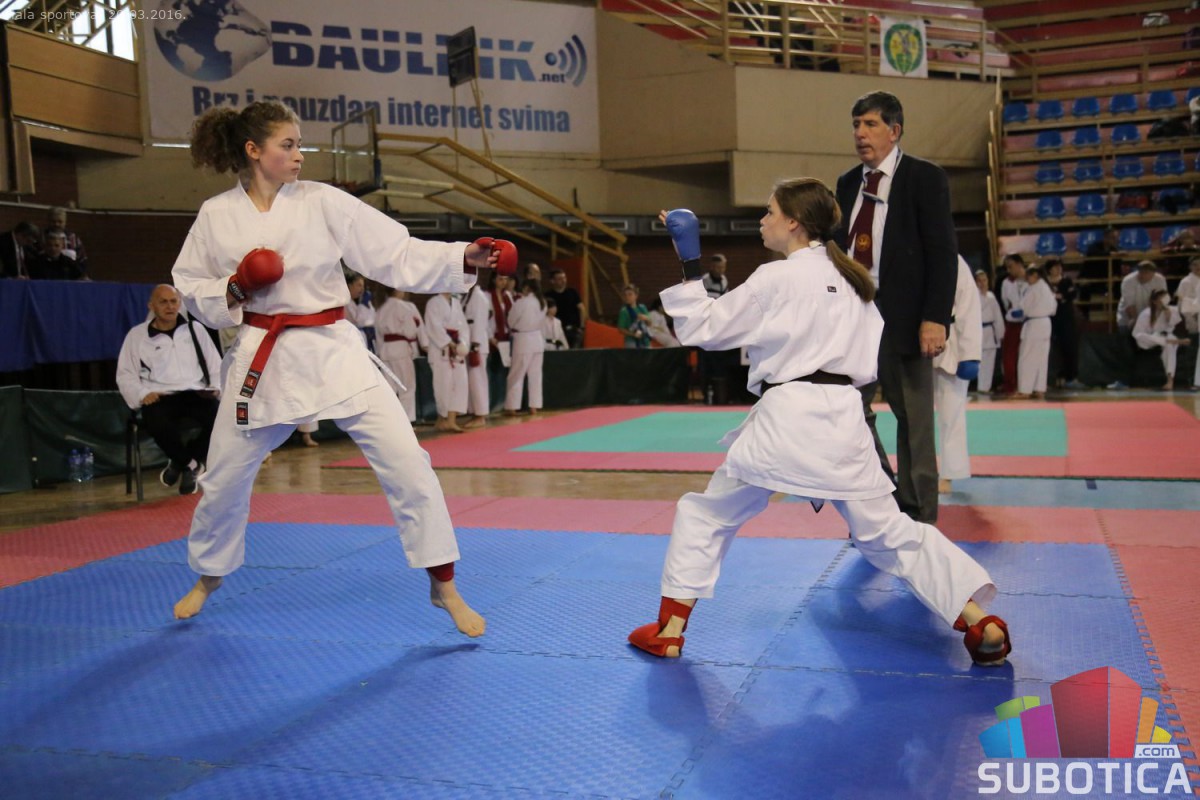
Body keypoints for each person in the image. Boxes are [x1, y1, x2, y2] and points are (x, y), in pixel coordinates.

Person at [628, 181, 1009, 668]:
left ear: (793, 221)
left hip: (786, 420)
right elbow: (867, 362)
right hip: (843, 417)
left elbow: (704, 327)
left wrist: (688, 260)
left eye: (769, 212)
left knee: (708, 515)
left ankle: (669, 630)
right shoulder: (856, 283)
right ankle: (979, 621)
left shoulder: (775, 277)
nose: (762, 221)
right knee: (890, 533)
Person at [168, 100, 513, 633]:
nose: (299, 155)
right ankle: (209, 575)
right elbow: (190, 287)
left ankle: (443, 583)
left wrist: (461, 257)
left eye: (299, 144)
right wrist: (234, 287)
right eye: (288, 145)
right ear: (253, 150)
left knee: (408, 462)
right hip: (262, 356)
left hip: (334, 349)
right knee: (223, 480)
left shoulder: (324, 201)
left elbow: (395, 252)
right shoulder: (216, 214)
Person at [834, 90, 957, 524]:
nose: (860, 133)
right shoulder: (847, 183)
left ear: (894, 130)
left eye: (870, 124)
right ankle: (884, 495)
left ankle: (920, 514)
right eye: (856, 125)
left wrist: (935, 318)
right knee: (849, 410)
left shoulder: (924, 177)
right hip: (856, 313)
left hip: (905, 314)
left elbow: (942, 252)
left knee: (914, 418)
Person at [116, 284, 222, 495]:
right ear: (151, 305)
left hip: (195, 392)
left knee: (220, 419)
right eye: (163, 302)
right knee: (155, 421)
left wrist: (215, 389)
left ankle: (179, 462)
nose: (170, 306)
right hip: (159, 395)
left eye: (174, 301)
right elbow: (125, 374)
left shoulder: (195, 330)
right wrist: (142, 394)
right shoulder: (137, 336)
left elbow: (216, 366)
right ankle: (191, 465)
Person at [933, 257, 981, 494]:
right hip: (914, 341)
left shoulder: (954, 261)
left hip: (951, 340)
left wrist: (970, 354)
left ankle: (949, 474)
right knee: (914, 418)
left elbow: (969, 307)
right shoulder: (910, 254)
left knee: (951, 413)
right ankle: (921, 471)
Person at [376, 288, 428, 423]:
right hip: (401, 349)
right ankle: (407, 421)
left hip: (385, 350)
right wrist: (423, 344)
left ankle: (390, 422)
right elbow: (411, 330)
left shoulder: (381, 309)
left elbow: (378, 335)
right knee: (406, 386)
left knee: (390, 388)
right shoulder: (405, 307)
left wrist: (380, 351)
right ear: (398, 290)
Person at [426, 291, 472, 433]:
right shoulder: (433, 302)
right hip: (441, 349)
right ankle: (442, 420)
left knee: (459, 384)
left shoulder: (456, 303)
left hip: (456, 350)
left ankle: (451, 420)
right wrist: (449, 343)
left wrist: (462, 343)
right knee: (443, 385)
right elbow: (434, 326)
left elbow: (464, 327)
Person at [505, 279, 546, 415]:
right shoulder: (542, 302)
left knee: (517, 373)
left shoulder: (522, 302)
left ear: (527, 288)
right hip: (537, 339)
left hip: (523, 339)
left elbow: (511, 321)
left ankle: (512, 406)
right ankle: (534, 405)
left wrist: (513, 325)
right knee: (535, 375)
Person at [1015, 266, 1057, 399]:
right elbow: (1054, 308)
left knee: (1027, 357)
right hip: (1046, 323)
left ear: (1035, 276)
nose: (1027, 279)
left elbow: (1023, 307)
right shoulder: (1047, 288)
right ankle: (1039, 388)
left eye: (1028, 276)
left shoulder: (1034, 288)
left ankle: (1025, 390)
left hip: (1034, 324)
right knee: (1041, 358)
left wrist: (1016, 313)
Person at [1134, 289, 1188, 390]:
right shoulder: (1145, 313)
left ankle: (1170, 381)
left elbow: (1171, 322)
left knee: (1169, 346)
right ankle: (1170, 341)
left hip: (1167, 336)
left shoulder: (1173, 310)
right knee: (1141, 336)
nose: (1164, 300)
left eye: (1165, 298)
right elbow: (1138, 333)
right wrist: (1155, 338)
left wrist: (1166, 310)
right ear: (1154, 301)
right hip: (1150, 339)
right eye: (1161, 298)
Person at [1045, 259, 1081, 389]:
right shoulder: (1045, 283)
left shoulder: (1066, 281)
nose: (1058, 269)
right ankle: (1051, 379)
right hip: (1050, 319)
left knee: (1069, 347)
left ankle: (1071, 377)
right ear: (1049, 270)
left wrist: (1061, 296)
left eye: (1059, 267)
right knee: (1051, 350)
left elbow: (1072, 294)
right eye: (1055, 267)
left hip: (1066, 319)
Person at [462, 276, 492, 427]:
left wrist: (475, 345)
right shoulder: (468, 296)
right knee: (472, 381)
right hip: (469, 341)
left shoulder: (479, 297)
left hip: (476, 344)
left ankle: (480, 415)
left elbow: (480, 323)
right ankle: (474, 411)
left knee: (478, 379)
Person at [998, 254, 1027, 395]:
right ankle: (1010, 385)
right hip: (1013, 323)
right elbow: (1006, 303)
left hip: (1029, 322)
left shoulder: (1032, 280)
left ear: (1020, 264)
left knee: (1027, 355)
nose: (1009, 270)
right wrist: (1013, 311)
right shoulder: (1006, 283)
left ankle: (1027, 385)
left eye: (1011, 266)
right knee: (1009, 355)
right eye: (1007, 268)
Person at [1117, 261, 1168, 332]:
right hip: (1129, 317)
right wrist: (1136, 321)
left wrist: (1153, 320)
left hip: (1151, 317)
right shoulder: (1128, 281)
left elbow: (1160, 301)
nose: (1142, 275)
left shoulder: (1160, 280)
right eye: (1141, 272)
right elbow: (1130, 305)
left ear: (1153, 273)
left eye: (1146, 273)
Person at [976, 270, 1004, 394]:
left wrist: (1000, 333)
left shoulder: (991, 296)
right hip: (978, 331)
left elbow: (998, 316)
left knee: (989, 362)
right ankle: (978, 386)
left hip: (990, 332)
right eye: (979, 281)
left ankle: (985, 387)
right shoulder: (973, 296)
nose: (982, 283)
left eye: (984, 280)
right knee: (978, 361)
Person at [544, 268, 586, 349]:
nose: (563, 281)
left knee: (575, 351)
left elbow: (581, 308)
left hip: (574, 330)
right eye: (560, 279)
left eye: (564, 278)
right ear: (552, 281)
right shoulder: (548, 295)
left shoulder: (572, 292)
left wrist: (582, 327)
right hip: (558, 330)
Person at [1175, 256, 1200, 389]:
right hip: (1193, 323)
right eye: (1195, 264)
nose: (1198, 267)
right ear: (1190, 267)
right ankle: (1192, 381)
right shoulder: (1186, 282)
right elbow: (1182, 304)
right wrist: (1193, 315)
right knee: (1193, 354)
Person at [43, 206, 87, 273]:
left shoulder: (73, 238)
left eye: (60, 221)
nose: (56, 224)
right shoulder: (41, 237)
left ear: (65, 222)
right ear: (48, 221)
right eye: (53, 221)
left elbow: (82, 259)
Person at [617, 284, 652, 349]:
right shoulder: (624, 311)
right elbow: (621, 329)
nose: (627, 297)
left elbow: (650, 324)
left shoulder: (642, 308)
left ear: (636, 296)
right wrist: (633, 334)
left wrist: (646, 318)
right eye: (625, 295)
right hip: (631, 342)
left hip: (645, 340)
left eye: (630, 294)